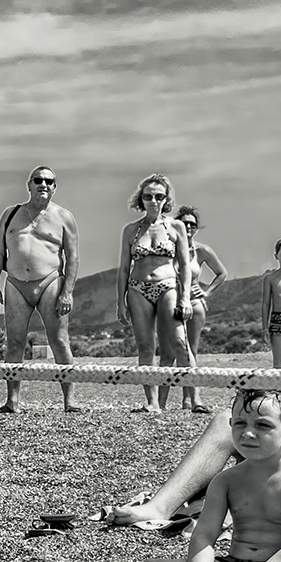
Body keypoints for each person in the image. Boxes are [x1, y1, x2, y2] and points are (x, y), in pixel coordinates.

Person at [30, 388, 281, 562]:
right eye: (239, 424)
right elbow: (204, 535)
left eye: (262, 425)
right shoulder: (226, 480)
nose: (248, 434)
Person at [0, 167, 81, 413]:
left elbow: (72, 257)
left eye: (49, 181)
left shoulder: (64, 217)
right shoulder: (10, 214)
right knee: (15, 343)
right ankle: (12, 401)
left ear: (55, 187)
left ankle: (70, 401)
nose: (43, 185)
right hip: (16, 283)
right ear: (29, 185)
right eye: (38, 180)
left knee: (59, 341)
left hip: (49, 281)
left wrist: (67, 291)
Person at [118, 174, 193, 413]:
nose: (153, 201)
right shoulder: (131, 230)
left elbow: (184, 267)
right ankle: (152, 403)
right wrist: (120, 302)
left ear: (166, 199)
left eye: (159, 196)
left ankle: (191, 398)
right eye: (148, 196)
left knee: (180, 342)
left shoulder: (176, 227)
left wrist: (185, 298)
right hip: (137, 288)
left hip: (167, 285)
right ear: (141, 198)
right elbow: (123, 268)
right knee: (145, 346)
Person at [177, 206, 227, 414]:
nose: (189, 227)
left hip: (195, 304)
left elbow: (221, 273)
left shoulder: (202, 250)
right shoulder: (168, 247)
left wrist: (206, 292)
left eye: (193, 224)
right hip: (171, 303)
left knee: (190, 350)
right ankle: (166, 400)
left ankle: (191, 399)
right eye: (185, 223)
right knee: (175, 350)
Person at [261, 238, 281, 369]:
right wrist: (264, 328)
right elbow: (265, 304)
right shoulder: (270, 278)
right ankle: (279, 390)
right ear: (276, 256)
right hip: (278, 319)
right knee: (279, 363)